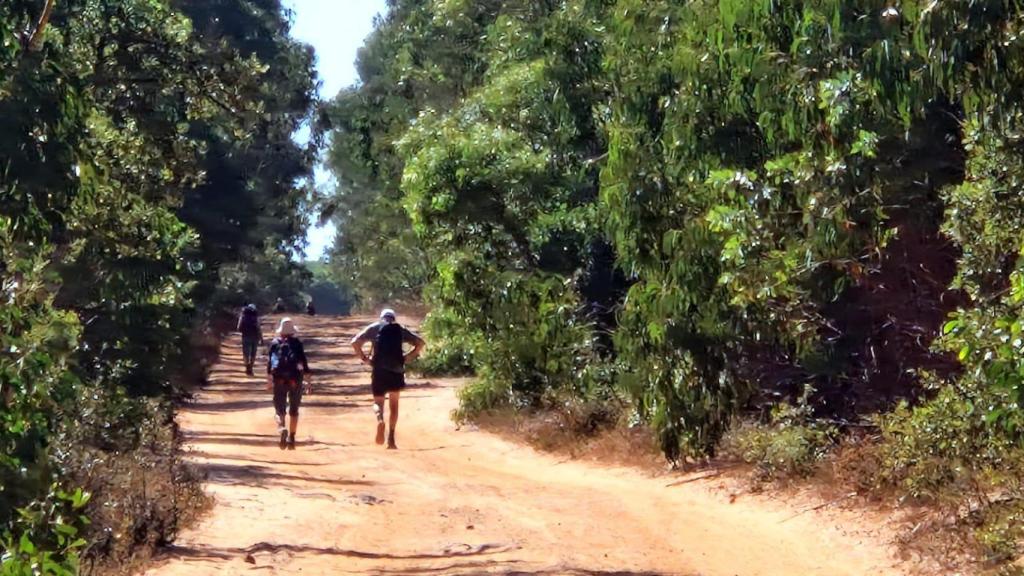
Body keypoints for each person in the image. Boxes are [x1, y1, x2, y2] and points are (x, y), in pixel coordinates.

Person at [351, 309, 425, 449]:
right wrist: (407, 357)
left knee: (378, 402)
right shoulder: (400, 329)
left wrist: (365, 359)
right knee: (394, 405)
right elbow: (420, 343)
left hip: (379, 370)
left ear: (382, 318)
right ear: (393, 318)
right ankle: (391, 438)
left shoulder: (374, 327)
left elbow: (354, 342)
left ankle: (380, 419)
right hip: (396, 371)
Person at [266, 318, 310, 449]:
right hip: (295, 379)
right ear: (292, 331)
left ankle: (281, 428)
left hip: (279, 378)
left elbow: (270, 365)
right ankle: (292, 438)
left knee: (279, 410)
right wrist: (308, 382)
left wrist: (269, 381)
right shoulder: (297, 344)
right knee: (294, 410)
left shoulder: (274, 343)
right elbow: (304, 364)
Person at [236, 303, 262, 375]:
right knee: (253, 353)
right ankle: (251, 367)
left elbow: (238, 328)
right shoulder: (256, 316)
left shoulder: (243, 316)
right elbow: (258, 328)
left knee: (245, 353)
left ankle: (247, 366)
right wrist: (261, 338)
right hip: (255, 337)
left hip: (245, 336)